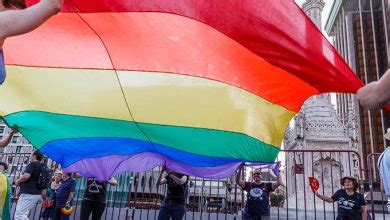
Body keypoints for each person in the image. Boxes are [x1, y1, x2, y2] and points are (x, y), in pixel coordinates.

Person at [14, 150, 45, 220]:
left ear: (34, 156)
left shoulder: (33, 164)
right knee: (23, 215)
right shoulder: (43, 166)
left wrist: (17, 181)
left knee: (19, 216)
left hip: (28, 193)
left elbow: (26, 176)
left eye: (31, 155)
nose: (30, 157)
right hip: (37, 193)